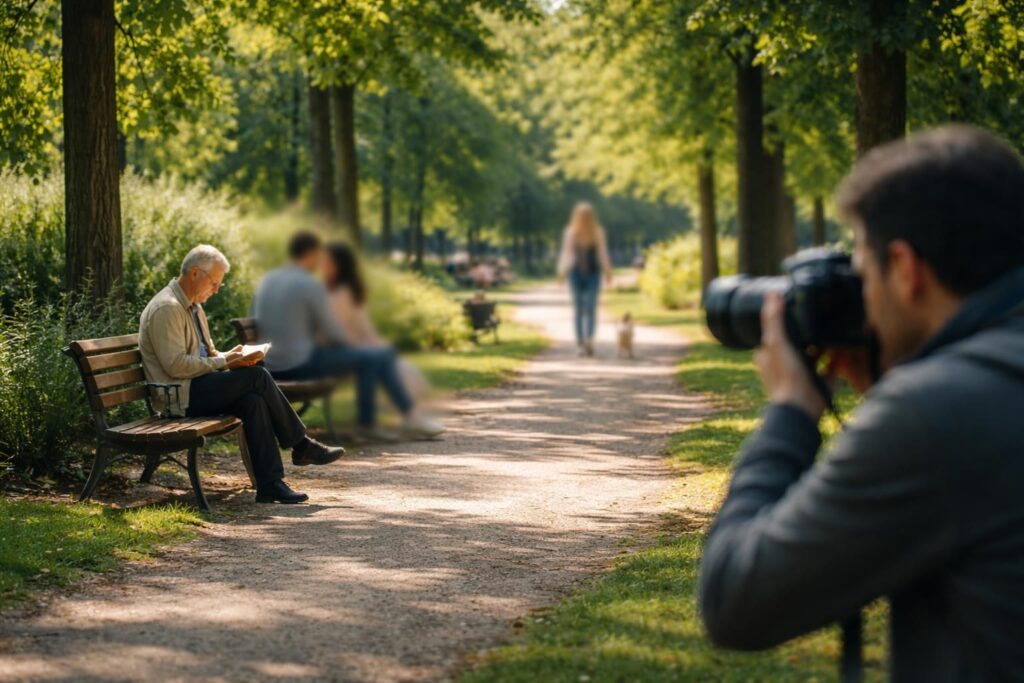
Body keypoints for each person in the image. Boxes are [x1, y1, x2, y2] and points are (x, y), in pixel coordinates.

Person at [698, 126, 1024, 680]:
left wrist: (790, 412)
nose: (864, 296)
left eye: (865, 270)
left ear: (905, 269)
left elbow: (737, 600)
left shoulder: (936, 415)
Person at [138, 245, 345, 505]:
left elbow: (207, 354)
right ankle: (301, 445)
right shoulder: (167, 308)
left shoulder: (194, 307)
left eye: (218, 285)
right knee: (257, 377)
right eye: (214, 282)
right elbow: (176, 366)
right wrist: (224, 361)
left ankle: (270, 485)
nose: (215, 289)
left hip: (196, 387)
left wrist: (233, 356)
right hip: (178, 397)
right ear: (194, 273)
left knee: (253, 401)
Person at [252, 231, 443, 440]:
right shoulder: (309, 285)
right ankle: (382, 421)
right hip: (298, 362)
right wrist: (353, 348)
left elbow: (257, 317)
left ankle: (400, 418)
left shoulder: (267, 281)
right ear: (311, 254)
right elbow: (333, 331)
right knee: (373, 358)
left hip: (270, 361)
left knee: (373, 357)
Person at [323, 242, 431, 400]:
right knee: (382, 359)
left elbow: (361, 328)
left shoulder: (342, 294)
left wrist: (376, 344)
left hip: (346, 350)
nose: (323, 266)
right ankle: (406, 410)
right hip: (341, 351)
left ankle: (404, 409)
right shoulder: (338, 292)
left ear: (340, 265)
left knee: (383, 359)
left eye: (328, 262)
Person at [557, 202, 612, 356]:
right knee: (578, 308)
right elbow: (566, 254)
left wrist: (608, 271)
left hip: (593, 273)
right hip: (575, 273)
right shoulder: (570, 232)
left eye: (587, 215)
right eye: (582, 215)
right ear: (576, 216)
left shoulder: (598, 233)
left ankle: (589, 341)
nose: (584, 218)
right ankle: (580, 343)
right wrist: (561, 273)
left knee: (591, 307)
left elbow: (602, 253)